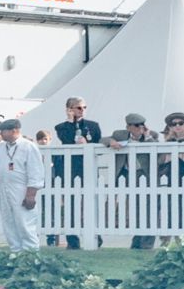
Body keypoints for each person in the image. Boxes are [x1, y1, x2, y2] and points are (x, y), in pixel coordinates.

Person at [0, 118, 44, 252]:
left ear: (14, 130)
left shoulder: (28, 146)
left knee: (24, 222)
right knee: (8, 222)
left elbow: (35, 171)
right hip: (4, 188)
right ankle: (15, 252)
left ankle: (31, 253)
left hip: (21, 187)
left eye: (4, 131)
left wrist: (31, 194)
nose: (1, 134)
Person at [103, 112, 159, 248]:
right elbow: (102, 139)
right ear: (128, 127)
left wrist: (147, 137)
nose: (140, 128)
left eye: (142, 125)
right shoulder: (120, 134)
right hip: (126, 174)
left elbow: (156, 150)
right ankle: (137, 239)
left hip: (143, 175)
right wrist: (111, 142)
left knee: (146, 207)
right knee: (132, 208)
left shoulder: (151, 135)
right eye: (136, 126)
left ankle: (146, 243)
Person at [54, 96, 101, 249]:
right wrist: (69, 121)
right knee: (71, 205)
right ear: (70, 109)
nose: (82, 111)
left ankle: (95, 236)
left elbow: (98, 145)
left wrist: (87, 144)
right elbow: (66, 139)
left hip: (87, 168)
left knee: (91, 203)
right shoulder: (61, 126)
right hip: (70, 170)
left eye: (84, 107)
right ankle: (72, 240)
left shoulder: (93, 126)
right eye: (78, 107)